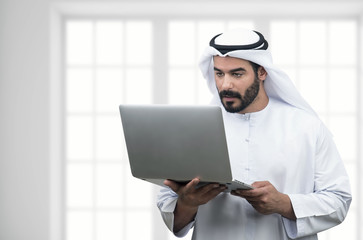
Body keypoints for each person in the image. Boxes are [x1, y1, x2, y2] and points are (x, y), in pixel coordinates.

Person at [157, 28, 352, 240]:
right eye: (219, 73)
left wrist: (284, 204)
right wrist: (188, 203)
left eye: (237, 74)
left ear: (262, 72)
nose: (225, 85)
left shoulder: (307, 127)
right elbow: (172, 213)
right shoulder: (193, 130)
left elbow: (339, 201)